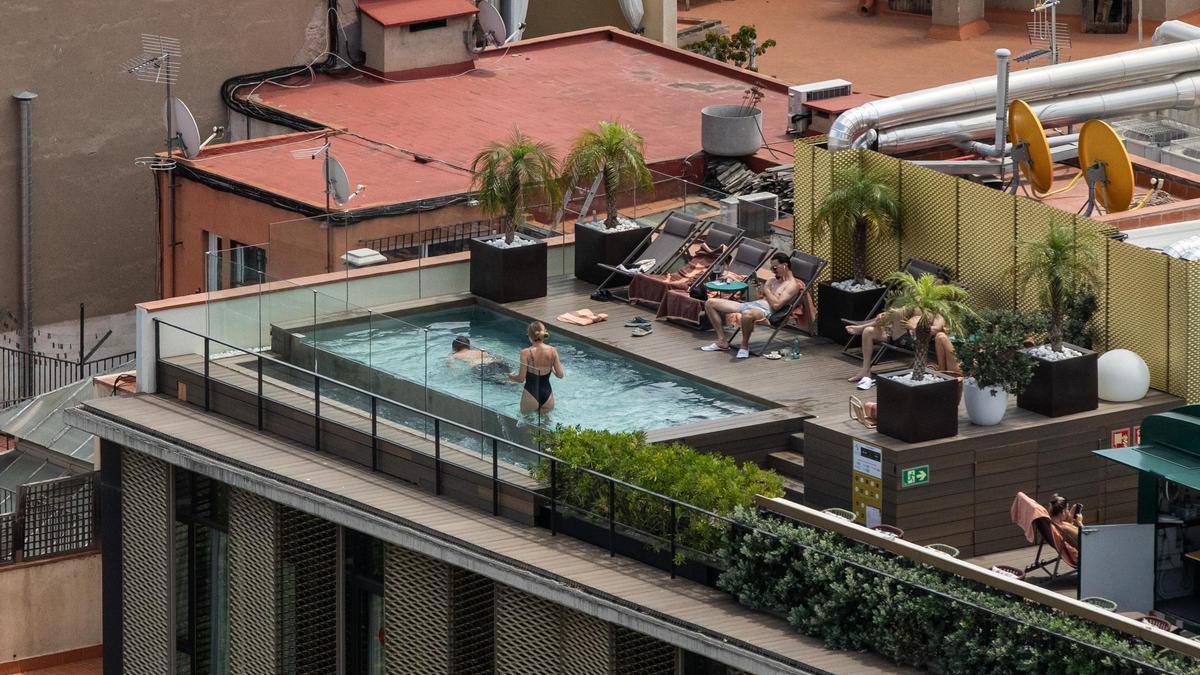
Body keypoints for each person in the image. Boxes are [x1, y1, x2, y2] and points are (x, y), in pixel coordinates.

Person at [700, 252, 801, 359]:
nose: (773, 271)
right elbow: (762, 297)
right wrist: (759, 290)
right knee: (710, 303)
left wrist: (766, 289)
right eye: (771, 268)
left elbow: (776, 305)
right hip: (752, 305)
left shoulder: (792, 285)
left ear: (784, 265)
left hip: (765, 311)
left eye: (775, 268)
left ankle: (744, 345)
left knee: (747, 314)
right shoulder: (772, 281)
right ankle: (722, 342)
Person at [844, 310, 960, 388]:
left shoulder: (937, 314)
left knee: (894, 312)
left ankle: (860, 328)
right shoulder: (914, 306)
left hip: (914, 340)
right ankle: (865, 371)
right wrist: (882, 316)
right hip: (896, 333)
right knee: (868, 331)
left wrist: (915, 327)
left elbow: (935, 329)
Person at [507, 321, 564, 414]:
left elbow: (521, 379)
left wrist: (510, 376)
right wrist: (551, 369)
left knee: (526, 425)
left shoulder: (525, 352)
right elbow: (560, 375)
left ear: (529, 336)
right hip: (547, 395)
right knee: (545, 426)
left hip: (530, 393)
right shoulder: (553, 350)